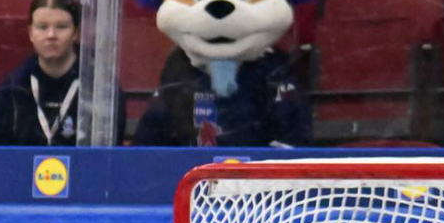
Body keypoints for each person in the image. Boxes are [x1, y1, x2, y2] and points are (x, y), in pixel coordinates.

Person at [0, 0, 125, 146]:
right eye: (42, 27)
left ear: (75, 33)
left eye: (61, 26)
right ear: (30, 33)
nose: (51, 35)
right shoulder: (13, 88)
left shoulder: (101, 88)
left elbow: (109, 156)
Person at [130, 45, 311, 147]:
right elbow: (147, 147)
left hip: (258, 196)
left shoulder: (273, 66)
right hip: (188, 189)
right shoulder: (180, 63)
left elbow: (294, 144)